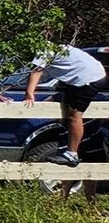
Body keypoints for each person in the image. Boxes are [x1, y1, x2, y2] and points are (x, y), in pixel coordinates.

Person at [22, 41, 104, 175]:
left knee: (74, 115)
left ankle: (72, 154)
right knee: (65, 105)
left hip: (88, 79)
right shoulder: (55, 47)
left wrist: (29, 93)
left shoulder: (44, 49)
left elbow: (37, 71)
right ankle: (69, 144)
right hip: (85, 77)